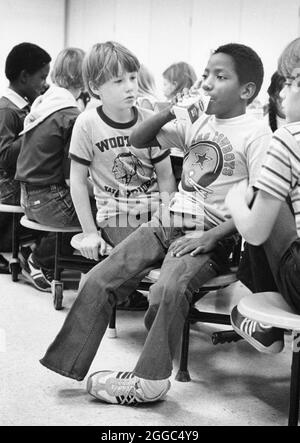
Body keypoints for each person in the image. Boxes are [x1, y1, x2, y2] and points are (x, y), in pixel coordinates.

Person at [40, 43, 272, 406]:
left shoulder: (256, 133)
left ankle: (149, 381)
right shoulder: (198, 121)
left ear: (247, 91)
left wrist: (212, 236)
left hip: (211, 233)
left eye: (220, 76)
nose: (208, 83)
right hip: (170, 218)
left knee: (167, 289)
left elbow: (259, 200)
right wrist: (169, 112)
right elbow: (138, 139)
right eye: (206, 74)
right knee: (102, 276)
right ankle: (66, 363)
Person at [67, 41, 176, 308]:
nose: (129, 86)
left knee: (183, 252)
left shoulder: (149, 118)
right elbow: (78, 182)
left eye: (132, 78)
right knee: (148, 252)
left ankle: (108, 283)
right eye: (118, 81)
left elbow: (165, 176)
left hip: (155, 213)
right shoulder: (87, 123)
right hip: (117, 214)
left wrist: (167, 216)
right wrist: (89, 232)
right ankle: (99, 287)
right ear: (95, 88)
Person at [225, 37, 300, 354]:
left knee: (258, 196)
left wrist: (236, 201)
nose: (282, 94)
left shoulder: (288, 136)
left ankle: (266, 323)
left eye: (291, 83)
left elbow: (255, 232)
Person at [15, 47, 85, 291]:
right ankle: (40, 260)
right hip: (48, 201)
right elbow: (70, 178)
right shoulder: (71, 114)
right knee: (100, 214)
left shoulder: (47, 102)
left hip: (28, 197)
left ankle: (37, 252)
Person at [0, 42, 51, 274]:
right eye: (42, 77)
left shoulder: (24, 106)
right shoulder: (8, 111)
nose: (45, 83)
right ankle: (39, 251)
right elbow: (4, 157)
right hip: (8, 186)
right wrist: (34, 127)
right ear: (23, 77)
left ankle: (38, 247)